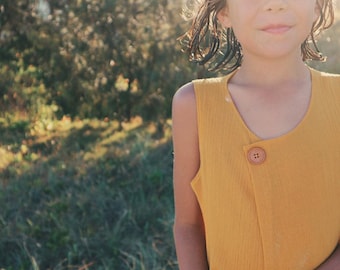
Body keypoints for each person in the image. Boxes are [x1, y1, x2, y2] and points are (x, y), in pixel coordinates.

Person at [171, 0, 340, 269]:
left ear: (318, 6)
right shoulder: (193, 105)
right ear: (225, 12)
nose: (274, 5)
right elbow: (187, 226)